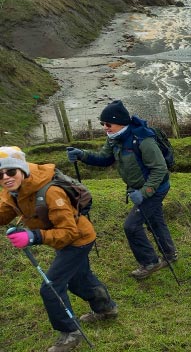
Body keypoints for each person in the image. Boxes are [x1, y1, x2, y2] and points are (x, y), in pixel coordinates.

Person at [0, 146, 117, 352]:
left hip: (77, 239)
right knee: (79, 278)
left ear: (22, 170)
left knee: (51, 287)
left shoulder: (51, 191)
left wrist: (33, 236)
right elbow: (4, 211)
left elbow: (68, 232)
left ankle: (70, 333)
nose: (6, 177)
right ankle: (106, 308)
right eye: (0, 174)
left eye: (11, 171)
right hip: (65, 240)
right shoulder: (15, 191)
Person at [66, 100, 177, 280]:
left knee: (131, 226)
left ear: (120, 122)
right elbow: (104, 158)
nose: (104, 127)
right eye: (102, 124)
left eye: (108, 124)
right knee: (155, 221)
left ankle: (150, 262)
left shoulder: (143, 140)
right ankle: (170, 255)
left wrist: (144, 193)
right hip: (139, 189)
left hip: (155, 188)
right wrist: (82, 154)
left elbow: (160, 168)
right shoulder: (115, 138)